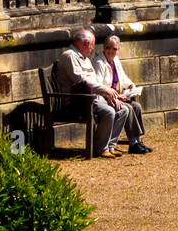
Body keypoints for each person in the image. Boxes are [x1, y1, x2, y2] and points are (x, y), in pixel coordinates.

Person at [55, 29, 129, 158]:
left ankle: (110, 145)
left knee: (123, 110)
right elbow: (81, 81)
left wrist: (110, 96)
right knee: (109, 112)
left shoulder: (85, 59)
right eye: (92, 44)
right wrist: (106, 90)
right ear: (85, 43)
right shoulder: (70, 56)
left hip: (92, 97)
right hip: (77, 101)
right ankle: (101, 148)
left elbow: (94, 81)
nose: (93, 48)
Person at [93, 33, 153, 153]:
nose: (111, 51)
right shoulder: (99, 62)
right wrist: (114, 96)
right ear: (103, 48)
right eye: (108, 48)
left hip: (117, 95)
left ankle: (136, 140)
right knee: (128, 108)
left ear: (118, 50)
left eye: (114, 49)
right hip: (106, 98)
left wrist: (131, 85)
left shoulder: (116, 60)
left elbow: (123, 77)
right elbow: (98, 85)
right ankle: (133, 143)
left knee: (137, 106)